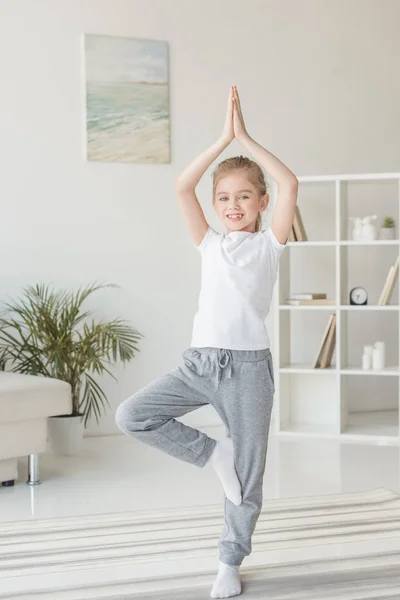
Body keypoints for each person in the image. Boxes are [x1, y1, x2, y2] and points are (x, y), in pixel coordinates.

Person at [115, 85, 298, 598]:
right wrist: (222, 140)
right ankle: (211, 455)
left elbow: (290, 181)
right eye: (223, 197)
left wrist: (247, 138)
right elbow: (180, 187)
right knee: (132, 415)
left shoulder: (270, 246)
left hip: (248, 371)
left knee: (249, 476)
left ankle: (229, 561)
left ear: (262, 202)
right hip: (200, 364)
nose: (232, 204)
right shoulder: (209, 243)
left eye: (244, 195)